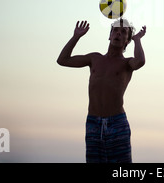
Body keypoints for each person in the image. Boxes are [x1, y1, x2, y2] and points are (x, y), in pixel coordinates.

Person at [57, 18, 146, 163]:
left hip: (117, 123)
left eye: (123, 32)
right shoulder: (94, 58)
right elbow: (63, 60)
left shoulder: (127, 63)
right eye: (115, 30)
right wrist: (76, 36)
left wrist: (137, 39)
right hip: (93, 123)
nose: (118, 33)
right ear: (109, 36)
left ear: (127, 41)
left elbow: (140, 62)